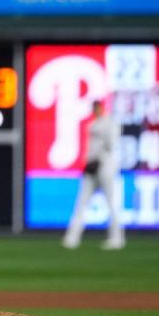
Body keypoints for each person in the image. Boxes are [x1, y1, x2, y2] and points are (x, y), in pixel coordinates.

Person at [63, 99, 125, 250]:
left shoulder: (110, 123)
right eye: (94, 108)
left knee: (111, 203)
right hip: (91, 167)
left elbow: (111, 145)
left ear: (102, 108)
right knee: (82, 202)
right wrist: (89, 163)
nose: (95, 110)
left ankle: (117, 237)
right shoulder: (92, 124)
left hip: (105, 166)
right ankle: (72, 237)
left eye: (97, 107)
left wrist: (99, 159)